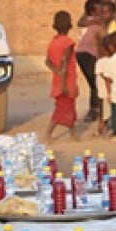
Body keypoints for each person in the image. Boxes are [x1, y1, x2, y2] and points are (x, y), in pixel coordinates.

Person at [44, 10, 78, 142]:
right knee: (62, 109)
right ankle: (48, 133)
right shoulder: (68, 43)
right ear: (70, 26)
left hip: (58, 80)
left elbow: (47, 61)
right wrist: (64, 82)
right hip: (66, 81)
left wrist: (56, 71)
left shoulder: (53, 42)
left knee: (69, 108)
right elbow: (65, 62)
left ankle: (73, 133)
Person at [75, 0, 103, 122]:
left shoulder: (90, 21)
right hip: (89, 55)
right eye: (99, 10)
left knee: (94, 84)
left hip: (82, 55)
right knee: (96, 84)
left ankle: (95, 109)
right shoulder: (95, 23)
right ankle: (97, 110)